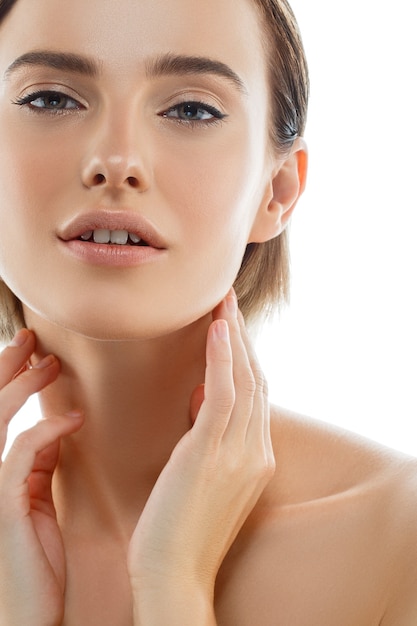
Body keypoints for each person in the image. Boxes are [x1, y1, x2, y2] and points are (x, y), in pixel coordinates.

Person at [0, 0, 416, 624]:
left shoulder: (397, 539)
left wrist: (174, 587)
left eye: (192, 109)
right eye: (51, 99)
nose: (116, 160)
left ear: (277, 192)